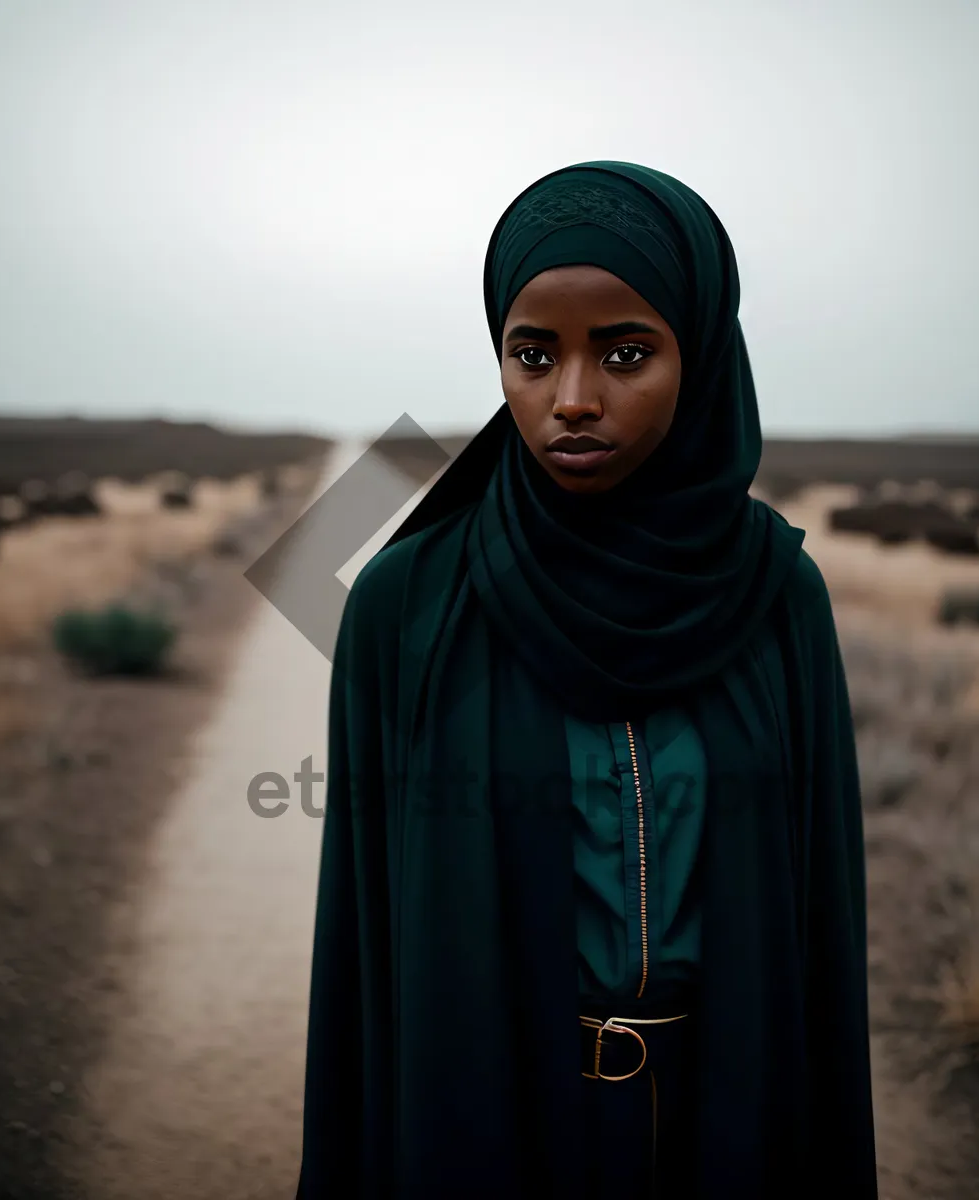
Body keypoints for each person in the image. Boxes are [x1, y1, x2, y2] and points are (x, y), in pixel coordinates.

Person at [296, 161, 877, 1199]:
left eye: (625, 352)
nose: (571, 399)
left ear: (699, 355)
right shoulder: (405, 604)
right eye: (533, 354)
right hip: (488, 1117)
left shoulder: (779, 595)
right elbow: (364, 948)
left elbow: (819, 931)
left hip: (725, 1119)